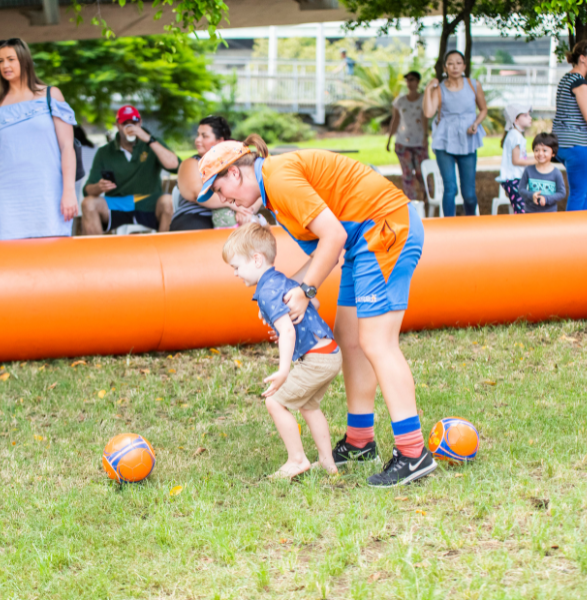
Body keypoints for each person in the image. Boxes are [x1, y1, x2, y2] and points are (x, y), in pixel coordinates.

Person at [198, 135, 437, 489]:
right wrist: (285, 290)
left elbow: (334, 237)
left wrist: (307, 291)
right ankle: (360, 441)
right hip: (364, 241)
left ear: (235, 173)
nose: (224, 200)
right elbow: (325, 251)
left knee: (377, 343)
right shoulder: (274, 195)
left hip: (385, 229)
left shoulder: (278, 178)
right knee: (350, 339)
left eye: (220, 190)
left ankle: (413, 452)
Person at [222, 223, 342, 479]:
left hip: (316, 359)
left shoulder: (267, 291)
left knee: (275, 402)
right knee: (309, 405)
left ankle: (297, 460)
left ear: (256, 259)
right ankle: (328, 463)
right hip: (330, 351)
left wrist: (283, 371)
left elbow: (287, 332)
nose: (234, 274)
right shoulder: (281, 280)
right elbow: (315, 301)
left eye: (236, 267)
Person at [0, 38, 78, 240]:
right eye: (1, 61)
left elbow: (67, 147)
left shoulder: (50, 95)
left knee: (53, 259)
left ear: (25, 61)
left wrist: (69, 191)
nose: (5, 65)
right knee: (9, 263)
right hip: (7, 197)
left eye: (11, 59)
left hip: (49, 193)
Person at [81, 105, 179, 234]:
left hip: (149, 202)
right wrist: (99, 187)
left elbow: (175, 166)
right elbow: (87, 190)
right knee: (88, 203)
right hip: (117, 204)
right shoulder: (104, 152)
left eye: (134, 123)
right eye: (125, 123)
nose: (130, 127)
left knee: (168, 201)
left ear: (140, 123)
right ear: (117, 125)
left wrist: (148, 139)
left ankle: (165, 252)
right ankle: (98, 253)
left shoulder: (153, 143)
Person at [422, 50, 488, 217]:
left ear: (464, 66)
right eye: (451, 63)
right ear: (445, 67)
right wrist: (428, 89)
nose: (455, 67)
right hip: (445, 140)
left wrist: (475, 124)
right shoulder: (440, 89)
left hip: (468, 140)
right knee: (450, 188)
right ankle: (448, 228)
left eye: (459, 63)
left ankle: (471, 226)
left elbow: (483, 109)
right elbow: (429, 113)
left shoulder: (474, 84)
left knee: (469, 194)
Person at [171, 116, 257, 231]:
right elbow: (197, 193)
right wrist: (235, 205)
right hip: (195, 216)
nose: (197, 140)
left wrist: (247, 210)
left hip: (231, 216)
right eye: (198, 135)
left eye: (204, 136)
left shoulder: (237, 163)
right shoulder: (191, 163)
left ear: (220, 141)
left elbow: (256, 187)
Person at [552, 40, 587, 212]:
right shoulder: (579, 82)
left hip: (562, 143)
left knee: (583, 192)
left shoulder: (567, 77)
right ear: (583, 58)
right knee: (579, 193)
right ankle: (572, 236)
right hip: (576, 144)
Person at [386, 71, 429, 201]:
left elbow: (425, 119)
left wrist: (425, 138)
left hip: (419, 141)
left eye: (412, 80)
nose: (410, 83)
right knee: (407, 173)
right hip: (402, 142)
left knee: (422, 172)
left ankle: (428, 197)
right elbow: (395, 120)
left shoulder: (424, 100)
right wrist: (389, 139)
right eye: (408, 80)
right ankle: (412, 201)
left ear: (418, 82)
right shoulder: (400, 101)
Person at [497, 104, 535, 214]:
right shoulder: (515, 136)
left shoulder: (516, 135)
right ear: (515, 119)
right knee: (521, 210)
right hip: (513, 179)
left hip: (515, 179)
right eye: (525, 115)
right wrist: (536, 162)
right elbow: (516, 161)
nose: (530, 118)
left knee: (522, 209)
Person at [518, 133, 566, 213]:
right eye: (537, 150)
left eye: (544, 150)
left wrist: (546, 199)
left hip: (550, 214)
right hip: (530, 213)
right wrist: (532, 195)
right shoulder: (528, 170)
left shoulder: (556, 173)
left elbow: (561, 193)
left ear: (553, 153)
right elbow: (521, 189)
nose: (540, 153)